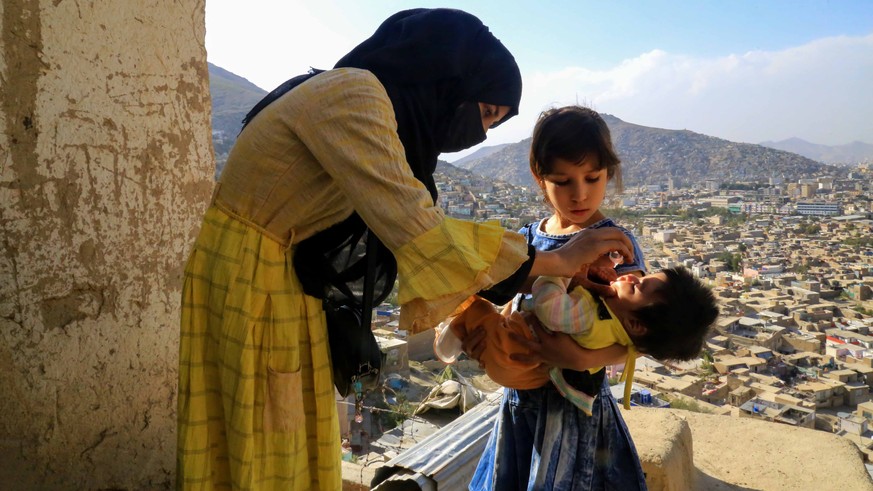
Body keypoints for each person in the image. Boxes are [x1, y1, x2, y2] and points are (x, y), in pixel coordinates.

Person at [176, 10, 633, 491]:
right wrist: (559, 259)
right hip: (254, 279)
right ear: (447, 78)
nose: (476, 135)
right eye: (483, 113)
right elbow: (421, 232)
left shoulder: (364, 101)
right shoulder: (354, 97)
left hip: (268, 273)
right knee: (264, 426)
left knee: (277, 424)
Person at [462, 105, 654, 490]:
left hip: (576, 413)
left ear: (609, 174)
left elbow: (643, 334)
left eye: (592, 178)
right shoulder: (528, 241)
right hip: (520, 406)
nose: (579, 194)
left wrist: (583, 357)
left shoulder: (615, 246)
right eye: (563, 181)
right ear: (539, 177)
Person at [439, 265, 719, 415]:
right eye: (562, 181)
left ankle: (454, 329)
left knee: (475, 308)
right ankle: (460, 332)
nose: (631, 276)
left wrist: (561, 270)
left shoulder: (593, 312)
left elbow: (549, 307)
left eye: (638, 284)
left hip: (521, 366)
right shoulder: (620, 319)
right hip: (521, 375)